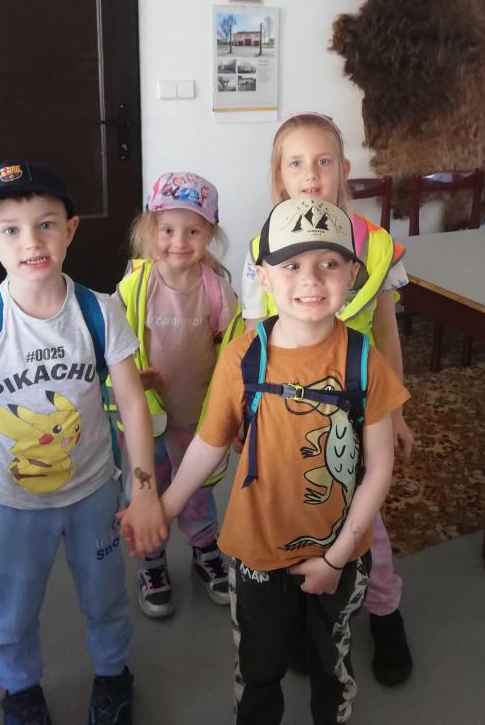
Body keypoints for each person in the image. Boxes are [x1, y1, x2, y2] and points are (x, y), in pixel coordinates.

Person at [120, 196, 409, 725]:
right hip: (256, 550)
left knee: (331, 661)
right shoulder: (243, 356)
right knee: (257, 666)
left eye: (329, 263)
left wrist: (336, 559)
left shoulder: (365, 360)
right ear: (263, 276)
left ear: (352, 274)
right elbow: (208, 444)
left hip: (339, 550)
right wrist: (164, 507)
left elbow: (380, 469)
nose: (311, 279)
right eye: (291, 265)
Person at [0, 160, 166, 725]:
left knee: (105, 598)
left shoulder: (99, 311)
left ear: (70, 229)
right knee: (15, 610)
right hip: (13, 502)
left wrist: (144, 490)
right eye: (10, 229)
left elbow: (133, 402)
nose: (31, 241)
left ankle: (113, 676)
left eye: (45, 224)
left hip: (93, 493)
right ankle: (20, 690)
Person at [240, 112, 414, 685]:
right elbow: (253, 346)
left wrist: (398, 413)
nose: (311, 174)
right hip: (289, 412)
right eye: (296, 163)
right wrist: (248, 417)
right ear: (279, 176)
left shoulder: (377, 247)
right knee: (297, 510)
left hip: (359, 407)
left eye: (323, 161)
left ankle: (385, 612)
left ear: (343, 169)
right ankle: (306, 615)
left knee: (367, 521)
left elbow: (386, 335)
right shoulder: (262, 249)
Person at [114, 171, 239, 616]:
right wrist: (129, 380)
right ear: (151, 231)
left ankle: (205, 549)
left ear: (210, 234)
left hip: (196, 415)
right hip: (144, 416)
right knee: (145, 485)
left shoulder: (216, 289)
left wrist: (233, 412)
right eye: (168, 230)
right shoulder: (136, 285)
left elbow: (233, 351)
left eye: (193, 231)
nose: (179, 242)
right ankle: (151, 559)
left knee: (196, 486)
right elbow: (113, 346)